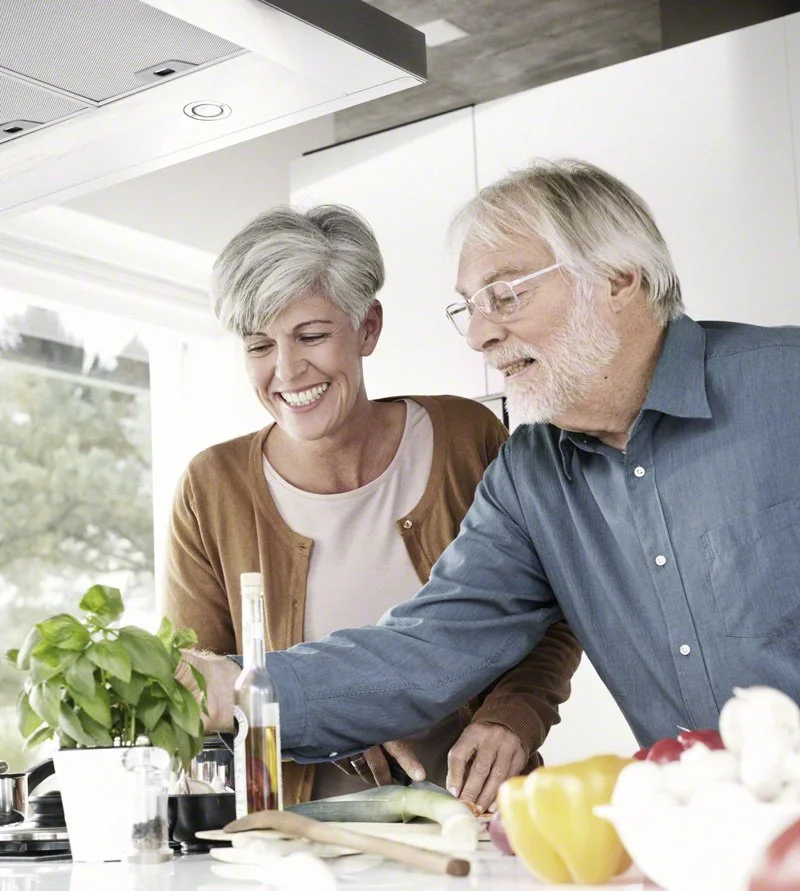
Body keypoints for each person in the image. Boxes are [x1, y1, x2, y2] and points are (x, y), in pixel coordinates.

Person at [190, 157, 800, 766]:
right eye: (470, 307)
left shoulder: (786, 385)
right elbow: (429, 648)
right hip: (711, 833)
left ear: (617, 278)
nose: (478, 334)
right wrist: (234, 690)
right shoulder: (529, 475)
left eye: (504, 296)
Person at [164, 203, 580, 810]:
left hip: (482, 815)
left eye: (311, 335)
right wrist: (336, 715)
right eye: (259, 345)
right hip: (296, 839)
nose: (286, 370)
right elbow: (193, 695)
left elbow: (550, 607)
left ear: (368, 328)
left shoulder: (468, 437)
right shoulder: (211, 486)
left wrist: (512, 718)